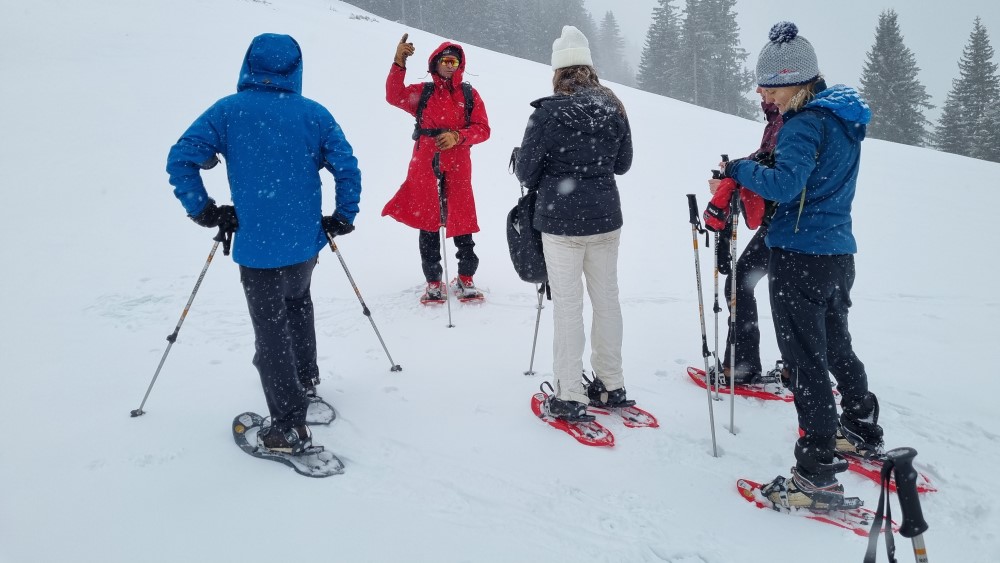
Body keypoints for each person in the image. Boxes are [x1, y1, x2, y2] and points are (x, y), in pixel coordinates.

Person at [166, 33, 362, 454]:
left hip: (257, 246)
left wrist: (205, 211)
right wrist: (343, 216)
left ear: (249, 65)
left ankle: (288, 428)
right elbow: (346, 166)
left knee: (271, 329)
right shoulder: (313, 114)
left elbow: (181, 158)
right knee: (297, 305)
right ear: (296, 68)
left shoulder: (228, 112)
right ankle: (305, 382)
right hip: (305, 240)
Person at [721, 22, 884, 508]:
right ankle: (860, 426)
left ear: (793, 81)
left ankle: (816, 475)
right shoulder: (841, 120)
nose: (762, 91)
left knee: (805, 362)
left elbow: (784, 185)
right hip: (837, 253)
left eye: (769, 84)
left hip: (800, 254)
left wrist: (739, 170)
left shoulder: (804, 123)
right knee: (836, 346)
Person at [514, 26, 633, 421]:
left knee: (568, 307)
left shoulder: (547, 113)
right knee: (607, 301)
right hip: (605, 218)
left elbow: (528, 174)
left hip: (562, 224)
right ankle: (611, 384)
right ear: (588, 66)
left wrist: (534, 160)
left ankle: (569, 393)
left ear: (559, 71)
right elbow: (623, 164)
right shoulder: (613, 105)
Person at [383, 34, 491, 304]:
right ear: (435, 63)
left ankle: (466, 278)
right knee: (428, 219)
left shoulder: (469, 94)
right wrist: (399, 62)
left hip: (458, 162)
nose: (450, 65)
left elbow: (483, 129)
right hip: (426, 162)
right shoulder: (424, 93)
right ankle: (433, 282)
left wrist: (458, 136)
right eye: (445, 60)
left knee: (461, 217)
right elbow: (394, 96)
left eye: (455, 61)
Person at [706, 89, 784, 385]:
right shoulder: (778, 119)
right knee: (760, 287)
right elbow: (762, 161)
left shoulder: (791, 119)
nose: (759, 92)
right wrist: (732, 175)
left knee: (744, 284)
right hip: (780, 223)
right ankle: (793, 369)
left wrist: (735, 177)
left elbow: (772, 171)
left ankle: (744, 365)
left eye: (765, 86)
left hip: (786, 224)